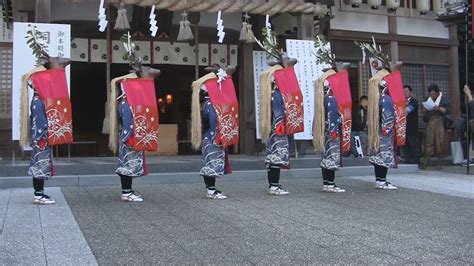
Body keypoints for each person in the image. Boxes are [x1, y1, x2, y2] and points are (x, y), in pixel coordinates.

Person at [20, 27, 73, 204]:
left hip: (43, 136)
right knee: (40, 163)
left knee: (42, 162)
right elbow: (39, 121)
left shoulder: (42, 99)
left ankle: (40, 192)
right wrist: (43, 136)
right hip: (41, 136)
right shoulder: (39, 100)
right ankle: (38, 194)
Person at [108, 34, 160, 202]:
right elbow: (128, 120)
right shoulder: (126, 102)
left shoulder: (129, 101)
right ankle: (126, 192)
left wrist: (139, 67)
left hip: (131, 136)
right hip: (129, 137)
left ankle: (128, 191)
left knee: (129, 165)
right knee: (127, 166)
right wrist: (130, 136)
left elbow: (156, 72)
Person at [257, 28, 304, 195]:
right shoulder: (277, 94)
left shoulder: (275, 93)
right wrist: (279, 126)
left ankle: (273, 185)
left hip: (278, 128)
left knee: (273, 156)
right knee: (276, 156)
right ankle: (274, 186)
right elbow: (278, 112)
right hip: (278, 128)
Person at [190, 64, 239, 199]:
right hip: (212, 136)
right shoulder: (211, 104)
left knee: (211, 162)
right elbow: (213, 121)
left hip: (210, 136)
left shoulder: (208, 103)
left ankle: (211, 189)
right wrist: (218, 133)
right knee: (211, 163)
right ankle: (211, 190)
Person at [313, 63, 352, 193]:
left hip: (324, 130)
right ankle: (330, 183)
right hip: (331, 131)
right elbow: (332, 116)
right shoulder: (331, 99)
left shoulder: (323, 98)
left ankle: (327, 183)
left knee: (326, 157)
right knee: (331, 156)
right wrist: (333, 130)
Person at [420, 84, 450, 169]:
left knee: (440, 141)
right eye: (430, 94)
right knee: (428, 141)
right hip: (430, 121)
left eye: (433, 94)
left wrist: (439, 108)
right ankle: (425, 161)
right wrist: (424, 109)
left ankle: (440, 162)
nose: (432, 96)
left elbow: (448, 110)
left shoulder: (443, 99)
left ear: (437, 93)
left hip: (440, 121)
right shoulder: (427, 99)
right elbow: (423, 111)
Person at [402, 85, 420, 164]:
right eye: (403, 91)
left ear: (410, 92)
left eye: (406, 91)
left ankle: (416, 161)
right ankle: (408, 161)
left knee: (413, 145)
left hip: (412, 127)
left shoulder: (414, 101)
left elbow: (407, 110)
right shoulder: (401, 101)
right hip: (403, 127)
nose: (404, 93)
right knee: (406, 146)